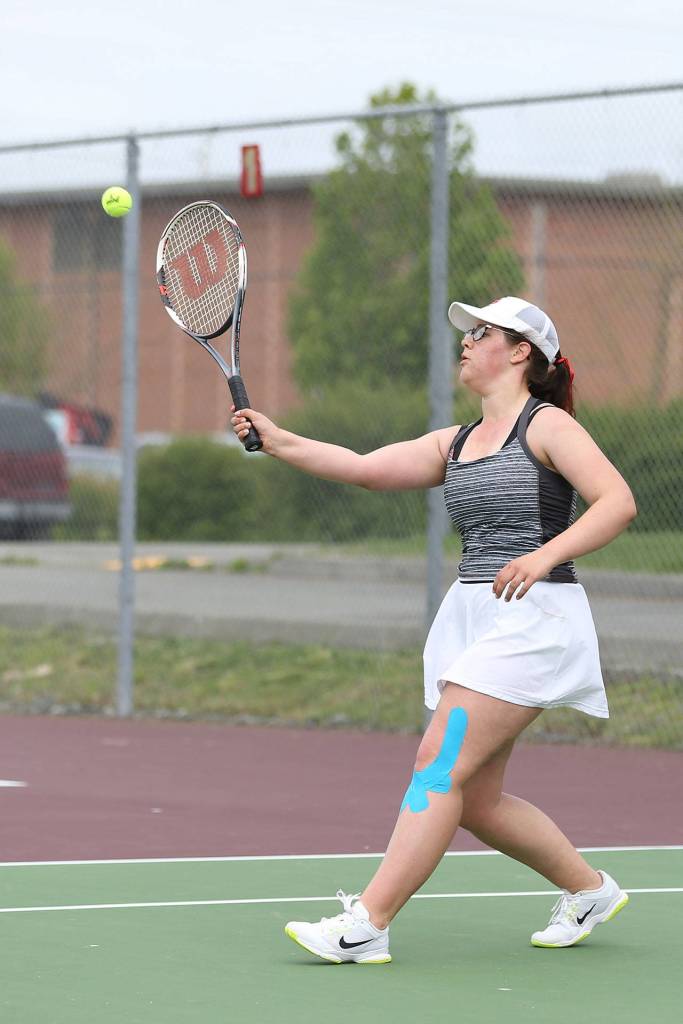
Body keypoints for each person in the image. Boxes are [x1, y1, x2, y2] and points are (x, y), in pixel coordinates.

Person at [231, 295, 636, 965]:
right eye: (467, 333)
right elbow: (364, 469)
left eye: (482, 332)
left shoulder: (549, 426)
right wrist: (278, 440)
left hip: (535, 620)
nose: (466, 341)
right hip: (477, 616)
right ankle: (589, 890)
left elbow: (617, 502)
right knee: (475, 800)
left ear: (520, 352)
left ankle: (368, 924)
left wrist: (543, 556)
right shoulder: (456, 443)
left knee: (437, 764)